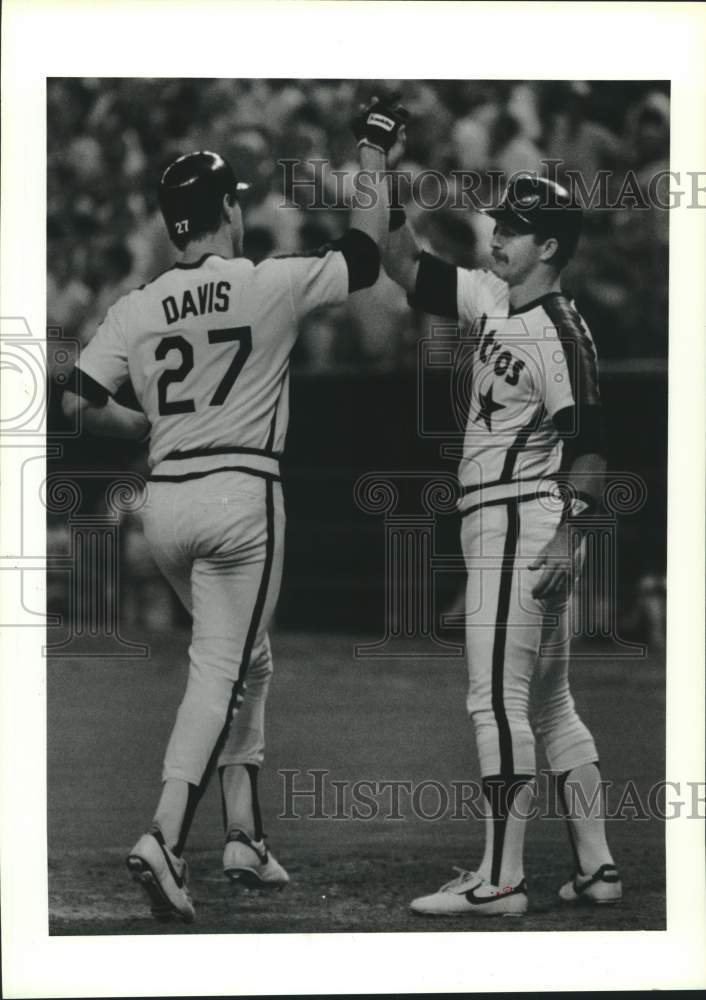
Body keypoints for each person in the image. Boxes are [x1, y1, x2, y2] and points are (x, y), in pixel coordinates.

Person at [61, 99, 407, 923]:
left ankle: (245, 837)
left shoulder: (138, 304)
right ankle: (166, 833)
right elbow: (365, 252)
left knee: (245, 660)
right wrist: (373, 153)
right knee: (221, 669)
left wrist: (142, 420)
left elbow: (76, 399)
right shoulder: (266, 279)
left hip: (165, 501)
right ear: (226, 212)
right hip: (242, 495)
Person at [384, 173, 621, 916]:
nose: (499, 234)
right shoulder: (490, 294)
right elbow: (404, 264)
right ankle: (597, 870)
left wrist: (567, 535)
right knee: (551, 704)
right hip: (512, 517)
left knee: (495, 700)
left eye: (517, 227)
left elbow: (596, 444)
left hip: (527, 518)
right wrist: (380, 174)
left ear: (550, 246)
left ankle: (500, 880)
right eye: (501, 222)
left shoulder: (560, 327)